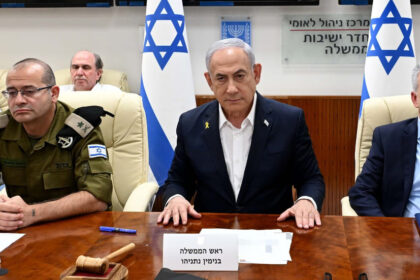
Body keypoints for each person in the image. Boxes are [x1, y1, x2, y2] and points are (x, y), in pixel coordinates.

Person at [157, 38, 325, 229]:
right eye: (221, 78)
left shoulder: (289, 120)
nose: (231, 89)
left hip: (272, 231)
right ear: (209, 81)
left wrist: (306, 201)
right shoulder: (190, 123)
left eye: (239, 76)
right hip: (212, 234)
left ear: (256, 73)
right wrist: (176, 199)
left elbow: (311, 179)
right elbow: (178, 180)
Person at [0, 58, 113, 231]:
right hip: (18, 230)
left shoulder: (79, 129)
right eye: (12, 93)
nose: (19, 100)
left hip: (74, 229)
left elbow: (97, 197)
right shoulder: (3, 128)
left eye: (29, 91)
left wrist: (32, 213)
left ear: (53, 93)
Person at [349, 65, 420, 217]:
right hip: (405, 233)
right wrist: (387, 229)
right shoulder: (389, 138)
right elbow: (361, 192)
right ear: (415, 99)